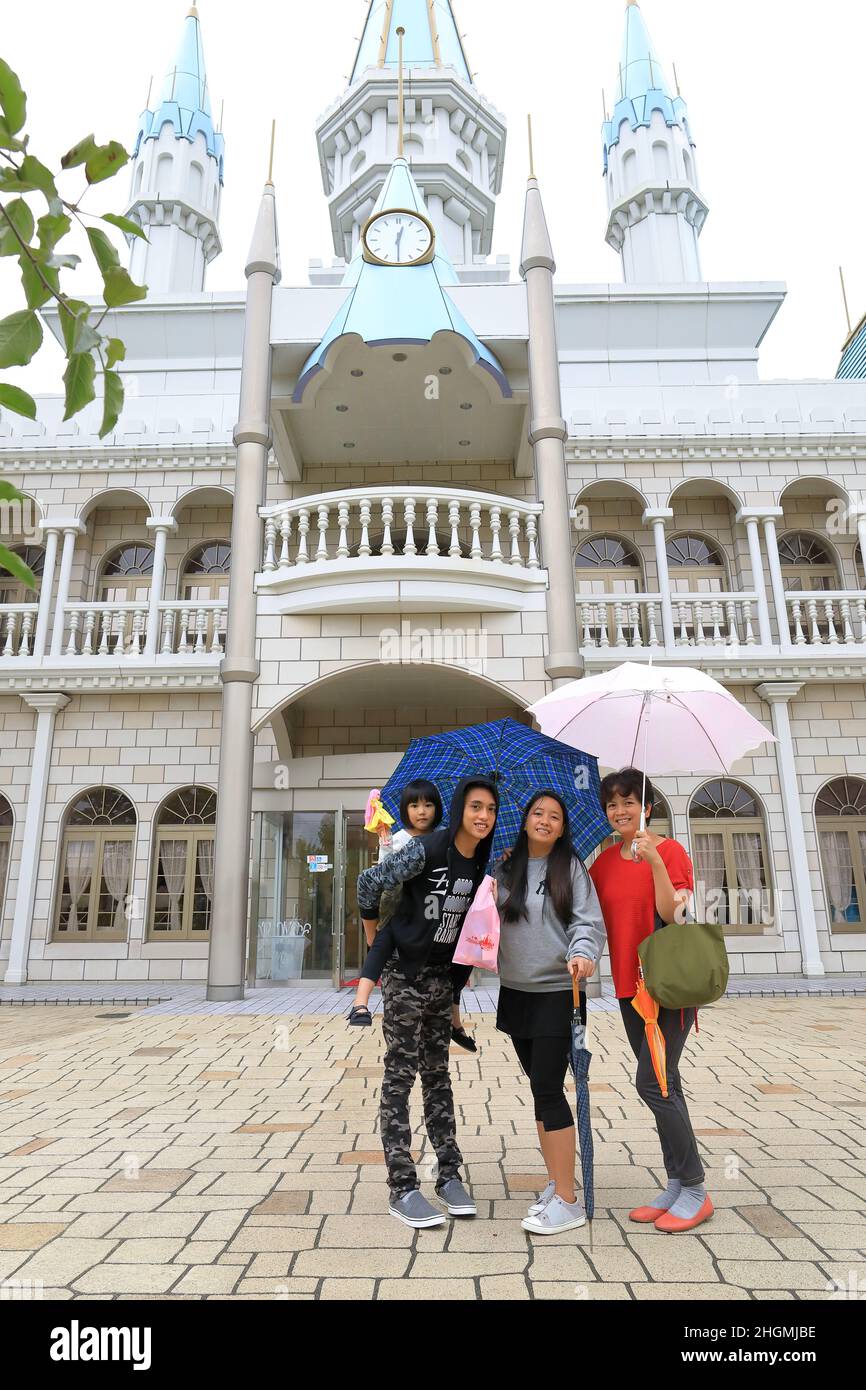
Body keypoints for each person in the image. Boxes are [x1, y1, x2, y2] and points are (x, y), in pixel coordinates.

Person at [356, 777, 499, 1229]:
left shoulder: (479, 865)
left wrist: (455, 992)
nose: (483, 816)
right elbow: (367, 885)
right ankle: (402, 1188)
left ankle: (448, 1176)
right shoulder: (427, 849)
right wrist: (374, 939)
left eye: (491, 810)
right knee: (400, 1074)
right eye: (476, 806)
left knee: (438, 1076)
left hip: (441, 981)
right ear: (458, 809)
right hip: (404, 976)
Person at [589, 767, 713, 1234]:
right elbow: (584, 915)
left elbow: (675, 914)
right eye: (612, 805)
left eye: (628, 802)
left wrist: (656, 862)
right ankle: (678, 1183)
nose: (620, 811)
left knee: (652, 1084)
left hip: (666, 987)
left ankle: (697, 1190)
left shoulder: (670, 850)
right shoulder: (603, 863)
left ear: (647, 806)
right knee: (667, 1083)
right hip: (627, 989)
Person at [494, 790, 606, 1234]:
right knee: (541, 1091)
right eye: (537, 813)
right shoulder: (505, 867)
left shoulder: (571, 867)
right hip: (515, 991)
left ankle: (568, 1200)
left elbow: (587, 922)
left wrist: (582, 952)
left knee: (547, 1089)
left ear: (562, 827)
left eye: (554, 817)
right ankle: (557, 1179)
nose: (544, 820)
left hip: (560, 991)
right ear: (524, 820)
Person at [349, 779, 477, 1051]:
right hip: (400, 907)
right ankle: (360, 1002)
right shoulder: (398, 838)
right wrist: (385, 844)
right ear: (405, 809)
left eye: (428, 804)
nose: (422, 811)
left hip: (432, 912)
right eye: (415, 805)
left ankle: (454, 1019)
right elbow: (382, 875)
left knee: (463, 955)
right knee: (383, 941)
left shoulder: (446, 837)